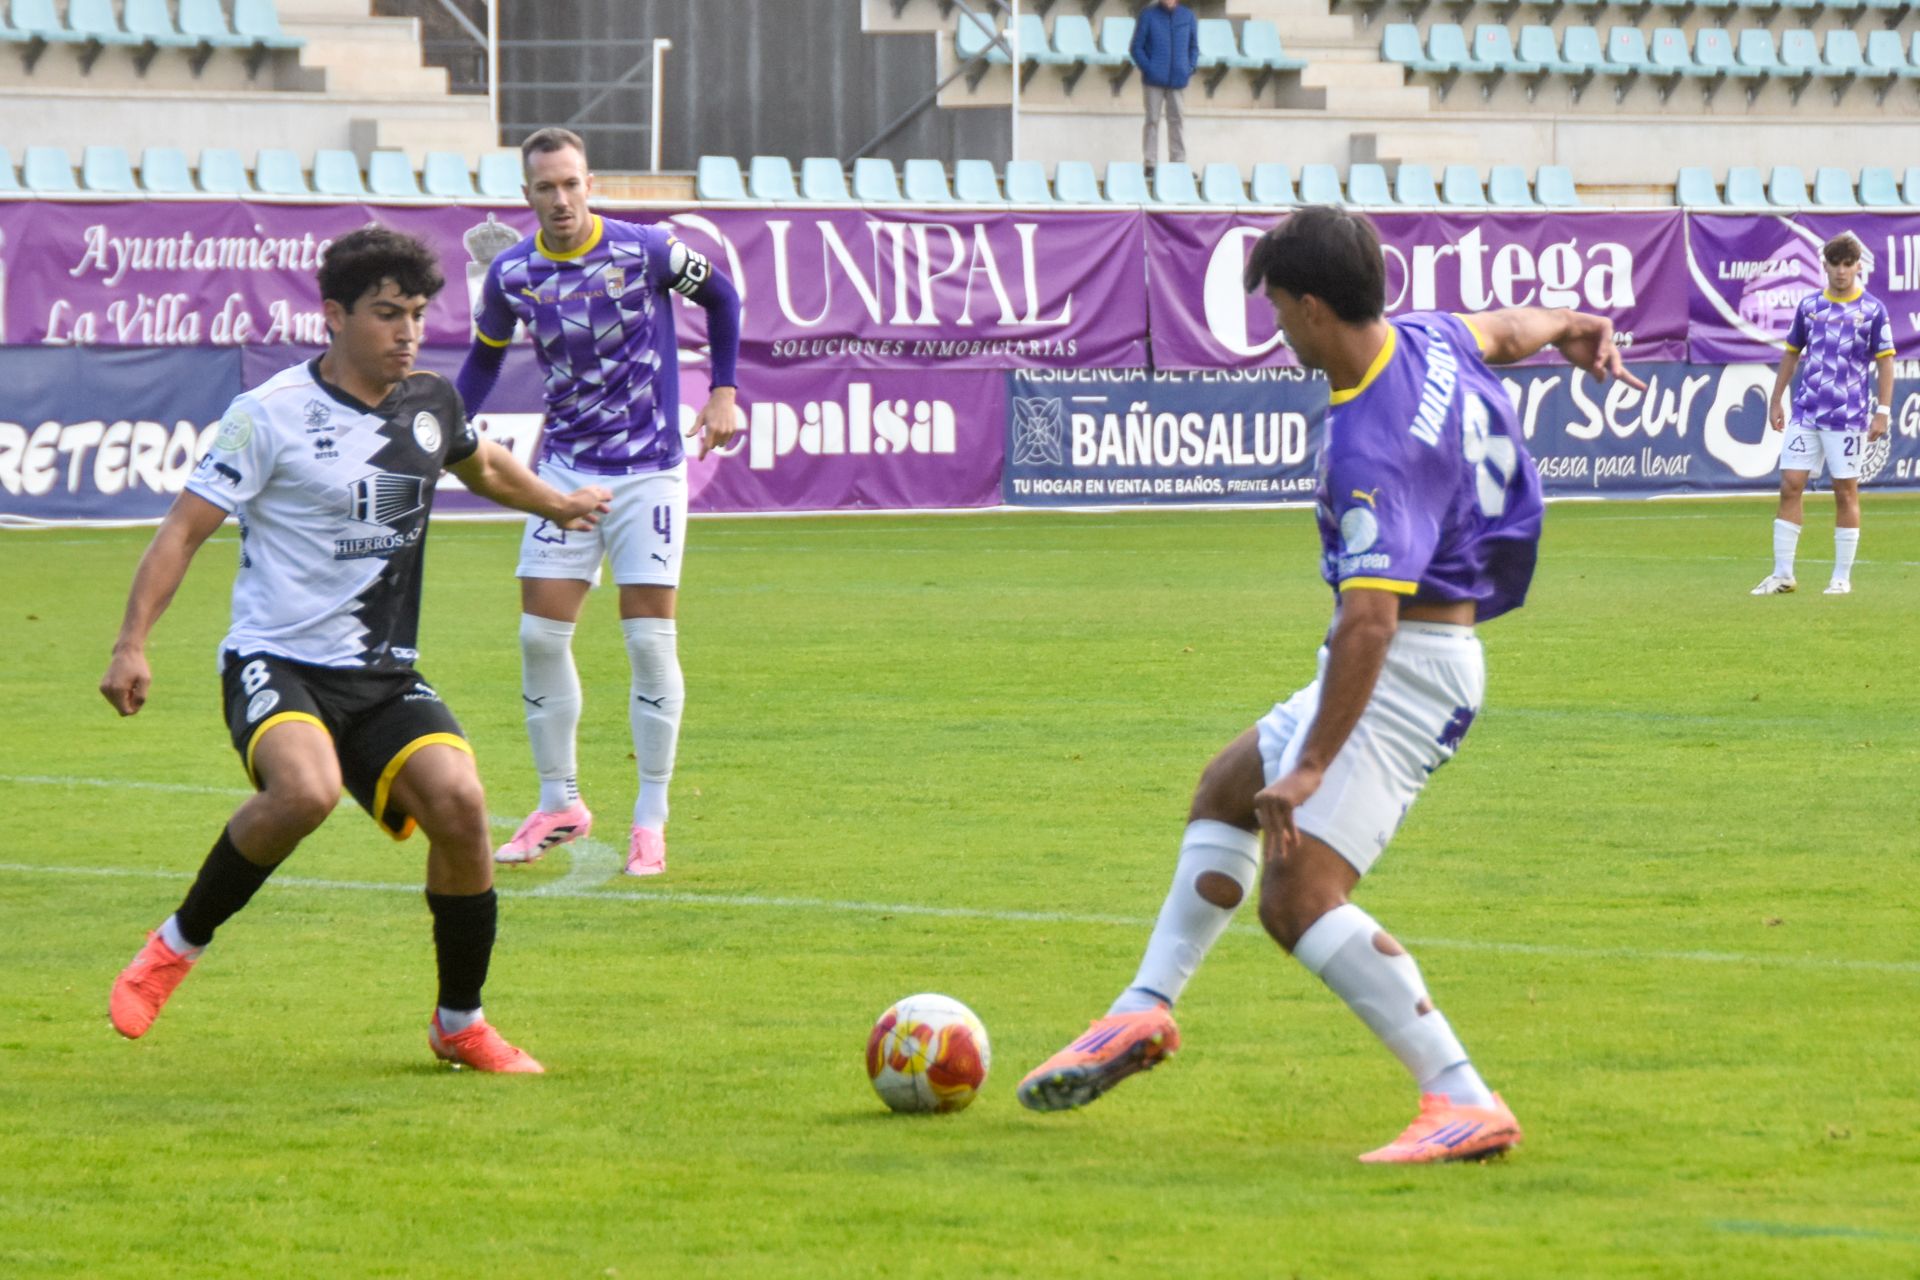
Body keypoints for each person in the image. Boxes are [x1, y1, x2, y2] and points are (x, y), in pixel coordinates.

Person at [1017, 206, 1647, 1163]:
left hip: (1407, 670)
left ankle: (1462, 1097)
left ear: (1312, 307)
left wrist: (1311, 765)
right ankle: (1143, 1008)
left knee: (1297, 896)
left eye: (1276, 305)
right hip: (1403, 653)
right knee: (1226, 789)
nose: (1274, 325)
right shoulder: (1428, 336)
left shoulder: (1372, 446)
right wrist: (1575, 324)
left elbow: (1369, 622)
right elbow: (1512, 329)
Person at [101, 227, 611, 1073]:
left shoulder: (430, 404)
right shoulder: (267, 415)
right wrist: (131, 644)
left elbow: (482, 466)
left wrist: (557, 505)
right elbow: (183, 531)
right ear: (334, 316)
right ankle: (175, 945)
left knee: (461, 806)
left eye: (416, 314)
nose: (407, 332)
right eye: (386, 314)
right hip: (277, 661)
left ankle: (460, 1022)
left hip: (381, 673)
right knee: (305, 790)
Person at [455, 127, 742, 879]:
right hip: (564, 476)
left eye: (571, 183)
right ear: (526, 195)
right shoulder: (512, 274)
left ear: (591, 184)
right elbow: (483, 360)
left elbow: (722, 296)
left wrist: (723, 391)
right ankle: (561, 804)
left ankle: (651, 818)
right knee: (539, 637)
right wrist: (444, 428)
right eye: (545, 187)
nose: (561, 198)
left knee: (648, 643)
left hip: (649, 472)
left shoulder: (645, 250)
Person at [1751, 233, 1896, 597]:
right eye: (1835, 264)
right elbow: (1791, 352)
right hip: (1806, 412)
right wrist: (1776, 399)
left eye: (1848, 264)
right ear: (1825, 266)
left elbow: (1886, 361)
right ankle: (1782, 574)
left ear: (1858, 266)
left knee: (1845, 492)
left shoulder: (1873, 310)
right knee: (1790, 485)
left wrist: (1882, 411)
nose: (1841, 271)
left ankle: (1841, 577)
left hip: (1848, 416)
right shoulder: (1810, 307)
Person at [1129, 0, 1198, 177]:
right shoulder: (1148, 15)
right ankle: (1150, 164)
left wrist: (1189, 67)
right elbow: (1136, 47)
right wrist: (1150, 68)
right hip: (1153, 80)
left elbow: (1193, 47)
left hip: (1178, 79)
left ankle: (1178, 162)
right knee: (1152, 120)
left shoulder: (1187, 16)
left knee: (1177, 121)